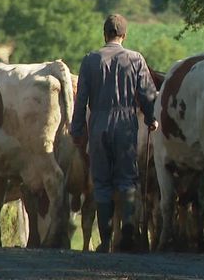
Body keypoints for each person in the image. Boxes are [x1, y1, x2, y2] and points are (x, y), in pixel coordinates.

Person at [71, 13, 158, 253]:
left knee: (101, 182)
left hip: (98, 123)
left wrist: (77, 129)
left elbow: (81, 101)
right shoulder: (135, 59)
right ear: (124, 35)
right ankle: (128, 232)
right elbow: (148, 95)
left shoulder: (90, 60)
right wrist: (151, 119)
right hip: (126, 124)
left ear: (105, 34)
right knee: (127, 178)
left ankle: (106, 240)